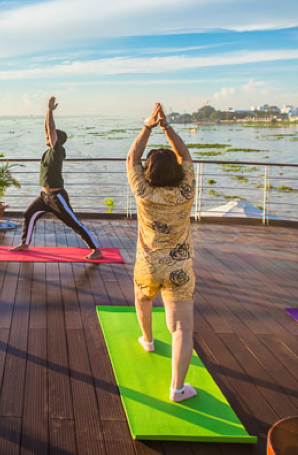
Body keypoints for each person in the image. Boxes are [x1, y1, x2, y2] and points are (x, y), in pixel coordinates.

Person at [127, 103, 198, 402]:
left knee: (143, 299)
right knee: (181, 329)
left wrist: (148, 126)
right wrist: (167, 128)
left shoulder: (143, 192)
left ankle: (147, 339)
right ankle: (178, 389)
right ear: (177, 172)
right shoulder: (186, 190)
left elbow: (132, 158)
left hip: (147, 264)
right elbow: (186, 156)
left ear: (149, 171)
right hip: (179, 269)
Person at [10, 96, 102, 260]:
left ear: (57, 141)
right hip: (44, 196)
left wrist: (50, 111)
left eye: (51, 137)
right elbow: (47, 129)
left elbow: (51, 128)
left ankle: (96, 249)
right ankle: (25, 244)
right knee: (28, 214)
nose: (47, 136)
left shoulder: (57, 151)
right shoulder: (48, 152)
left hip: (57, 197)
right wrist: (47, 113)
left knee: (74, 223)